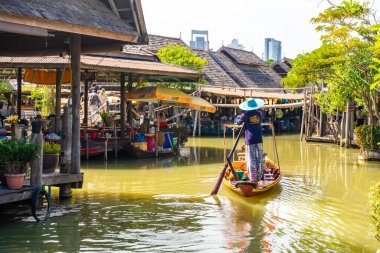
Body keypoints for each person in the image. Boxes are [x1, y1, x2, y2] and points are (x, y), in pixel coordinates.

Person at [236, 98, 265, 187]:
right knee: (259, 159)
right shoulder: (259, 114)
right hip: (259, 139)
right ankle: (260, 178)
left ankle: (253, 179)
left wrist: (238, 117)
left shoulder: (246, 114)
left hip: (250, 139)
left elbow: (238, 122)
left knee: (251, 159)